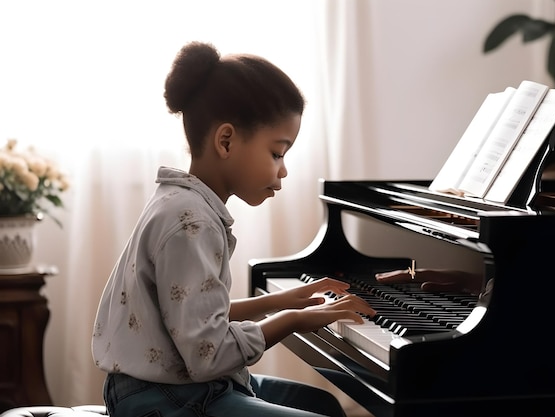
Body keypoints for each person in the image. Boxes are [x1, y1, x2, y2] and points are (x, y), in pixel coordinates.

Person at [91, 41, 376, 417]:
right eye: (277, 153)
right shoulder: (190, 222)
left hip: (179, 386)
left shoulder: (184, 203)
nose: (283, 170)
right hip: (163, 399)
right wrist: (293, 319)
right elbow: (208, 355)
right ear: (226, 141)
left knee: (320, 403)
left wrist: (282, 300)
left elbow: (192, 318)